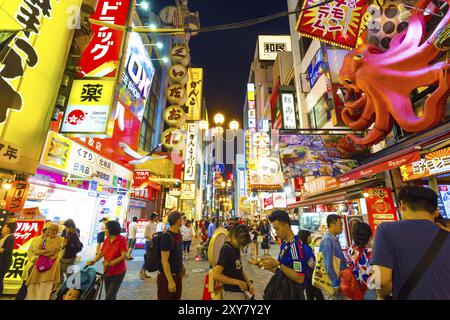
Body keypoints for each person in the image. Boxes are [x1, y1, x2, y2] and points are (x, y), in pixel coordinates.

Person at [371, 186, 450, 300]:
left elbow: (380, 280)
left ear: (402, 205)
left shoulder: (385, 230)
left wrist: (381, 295)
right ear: (436, 211)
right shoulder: (447, 235)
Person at [258, 210, 307, 300]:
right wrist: (262, 265)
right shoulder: (285, 243)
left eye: (277, 229)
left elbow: (300, 277)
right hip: (282, 291)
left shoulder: (295, 246)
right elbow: (281, 271)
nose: (276, 232)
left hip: (292, 294)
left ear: (286, 226)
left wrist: (278, 265)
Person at [87, 220, 128, 300]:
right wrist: (93, 261)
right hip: (107, 272)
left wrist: (111, 263)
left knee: (109, 296)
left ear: (111, 230)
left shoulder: (121, 240)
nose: (104, 230)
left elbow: (124, 256)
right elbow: (102, 253)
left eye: (106, 228)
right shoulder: (107, 239)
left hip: (118, 272)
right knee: (109, 294)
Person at [213, 224, 254, 300]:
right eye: (240, 243)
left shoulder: (236, 248)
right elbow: (216, 275)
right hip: (232, 293)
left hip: (242, 291)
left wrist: (249, 283)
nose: (241, 246)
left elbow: (240, 269)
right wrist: (237, 282)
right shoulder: (226, 249)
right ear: (234, 236)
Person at [26, 223, 63, 300]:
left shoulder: (60, 239)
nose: (52, 232)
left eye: (55, 230)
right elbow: (36, 251)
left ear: (57, 231)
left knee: (45, 288)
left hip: (50, 265)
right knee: (33, 286)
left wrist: (43, 252)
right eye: (50, 230)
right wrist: (46, 252)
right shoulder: (44, 240)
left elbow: (54, 252)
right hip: (40, 264)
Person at [16, 222, 51, 300]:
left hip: (42, 268)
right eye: (48, 230)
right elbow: (29, 251)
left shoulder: (53, 242)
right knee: (25, 285)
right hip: (32, 265)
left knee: (35, 288)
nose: (49, 233)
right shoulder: (35, 239)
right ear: (44, 230)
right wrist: (33, 259)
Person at [158, 211, 186, 300]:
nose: (182, 221)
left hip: (178, 275)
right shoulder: (167, 236)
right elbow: (164, 260)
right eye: (181, 219)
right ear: (177, 221)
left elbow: (178, 253)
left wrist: (182, 266)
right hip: (167, 277)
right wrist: (170, 281)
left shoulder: (179, 234)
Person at [319, 214, 348, 300]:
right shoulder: (328, 240)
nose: (342, 227)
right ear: (332, 224)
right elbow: (328, 264)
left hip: (338, 280)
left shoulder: (333, 239)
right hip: (331, 283)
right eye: (340, 224)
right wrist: (335, 283)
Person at [347, 222, 376, 300]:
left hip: (356, 289)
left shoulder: (351, 249)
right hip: (370, 291)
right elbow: (378, 280)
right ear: (370, 238)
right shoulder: (371, 253)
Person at [299, 229, 324, 300]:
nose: (311, 239)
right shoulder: (307, 248)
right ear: (306, 238)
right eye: (310, 237)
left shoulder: (302, 247)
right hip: (311, 276)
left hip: (306, 277)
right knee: (319, 296)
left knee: (309, 295)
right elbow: (311, 264)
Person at [0, 222, 17, 295]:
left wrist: (1, 249)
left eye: (5, 227)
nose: (3, 228)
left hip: (3, 263)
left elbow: (7, 250)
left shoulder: (11, 237)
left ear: (8, 229)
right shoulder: (5, 237)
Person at [140, 213, 157, 280]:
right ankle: (142, 272)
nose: (156, 218)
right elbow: (145, 235)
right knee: (148, 258)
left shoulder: (155, 224)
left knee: (149, 258)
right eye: (156, 217)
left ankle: (144, 272)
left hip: (153, 243)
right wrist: (152, 239)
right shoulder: (148, 224)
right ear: (153, 217)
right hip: (148, 243)